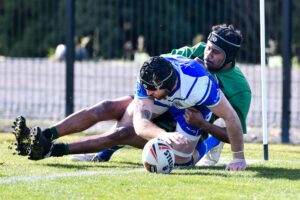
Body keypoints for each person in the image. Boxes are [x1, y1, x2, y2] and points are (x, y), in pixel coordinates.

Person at [12, 24, 249, 170]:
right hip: (166, 99)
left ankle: (54, 150)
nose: (207, 53)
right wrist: (162, 130)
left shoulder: (221, 87)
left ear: (229, 57)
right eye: (207, 47)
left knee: (123, 133)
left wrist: (206, 128)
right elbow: (152, 92)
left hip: (196, 118)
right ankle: (44, 137)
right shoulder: (172, 66)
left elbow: (233, 125)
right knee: (108, 108)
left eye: (215, 52)